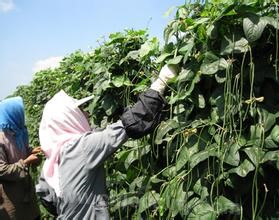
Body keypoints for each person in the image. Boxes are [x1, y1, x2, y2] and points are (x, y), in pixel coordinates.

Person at [37, 64, 177, 219]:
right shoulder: (81, 148)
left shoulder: (50, 163)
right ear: (69, 119)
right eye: (81, 110)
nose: (87, 114)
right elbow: (133, 122)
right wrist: (161, 82)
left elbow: (47, 200)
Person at [0, 96, 42, 220]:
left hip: (27, 195)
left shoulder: (19, 133)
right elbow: (2, 170)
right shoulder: (2, 139)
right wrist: (26, 162)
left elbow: (20, 151)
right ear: (13, 113)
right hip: (12, 199)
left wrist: (31, 151)